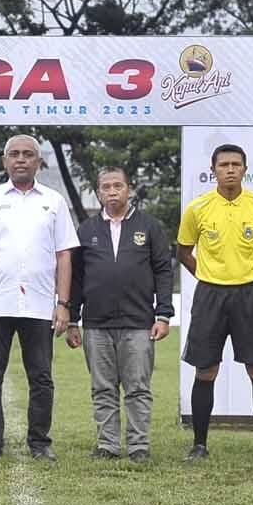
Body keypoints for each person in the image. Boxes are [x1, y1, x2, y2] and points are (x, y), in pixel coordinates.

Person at [0, 134, 80, 462]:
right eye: (14, 154)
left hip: (41, 305)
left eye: (28, 154)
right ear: (4, 161)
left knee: (41, 377)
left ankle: (40, 442)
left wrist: (63, 303)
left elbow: (64, 256)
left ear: (38, 161)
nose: (20, 160)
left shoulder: (54, 202)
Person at [178, 143, 253, 462]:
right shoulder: (198, 208)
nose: (230, 169)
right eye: (223, 164)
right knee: (205, 369)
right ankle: (199, 444)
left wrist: (251, 271)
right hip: (210, 295)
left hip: (248, 295)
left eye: (236, 164)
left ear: (245, 169)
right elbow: (183, 251)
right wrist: (208, 274)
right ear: (213, 170)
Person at [65, 167, 173, 463]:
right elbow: (75, 278)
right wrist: (72, 319)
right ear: (98, 192)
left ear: (129, 189)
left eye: (118, 186)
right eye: (106, 187)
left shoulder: (149, 226)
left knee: (138, 388)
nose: (112, 192)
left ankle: (139, 446)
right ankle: (108, 445)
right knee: (102, 388)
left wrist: (163, 314)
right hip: (96, 325)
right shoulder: (86, 230)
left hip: (138, 323)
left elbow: (164, 271)